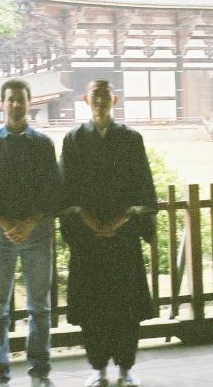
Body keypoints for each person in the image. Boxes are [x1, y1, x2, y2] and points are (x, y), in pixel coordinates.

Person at [59, 79, 158, 387]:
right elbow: (66, 190)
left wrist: (118, 222)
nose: (100, 102)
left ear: (114, 100)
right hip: (88, 238)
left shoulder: (131, 138)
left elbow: (142, 184)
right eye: (94, 96)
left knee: (125, 306)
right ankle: (98, 367)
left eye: (105, 96)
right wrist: (88, 221)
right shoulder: (74, 139)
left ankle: (126, 368)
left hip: (123, 234)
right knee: (92, 306)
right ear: (86, 100)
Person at [0, 78, 59, 387]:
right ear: (2, 103)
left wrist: (31, 222)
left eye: (20, 99)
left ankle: (39, 370)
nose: (15, 104)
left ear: (29, 102)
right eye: (10, 99)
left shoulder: (43, 144)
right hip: (0, 232)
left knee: (40, 306)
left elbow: (52, 191)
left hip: (37, 231)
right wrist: (8, 224)